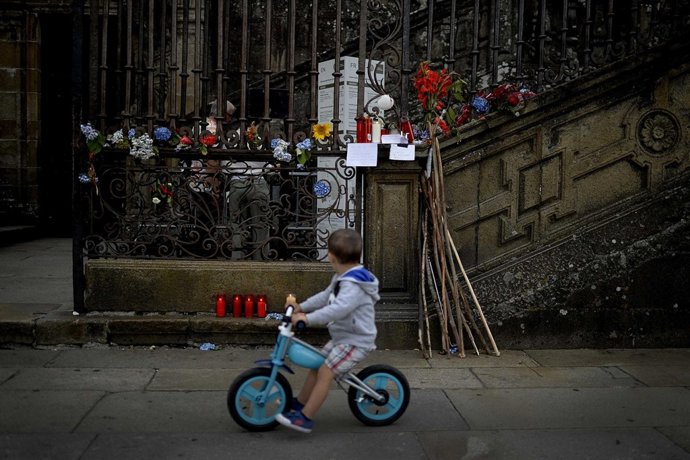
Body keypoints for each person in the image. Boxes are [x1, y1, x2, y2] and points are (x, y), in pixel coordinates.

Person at [275, 228, 380, 433]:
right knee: (316, 364)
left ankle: (305, 417)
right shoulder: (341, 277)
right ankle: (298, 404)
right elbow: (325, 297)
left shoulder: (354, 285)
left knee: (325, 372)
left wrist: (307, 319)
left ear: (331, 256)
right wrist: (302, 307)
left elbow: (337, 309)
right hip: (343, 338)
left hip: (356, 341)